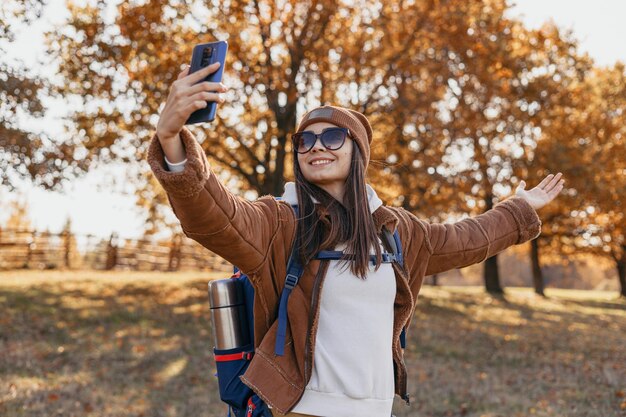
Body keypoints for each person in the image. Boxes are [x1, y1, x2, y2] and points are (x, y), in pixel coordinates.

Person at [148, 62, 564, 417]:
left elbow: (467, 238)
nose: (315, 147)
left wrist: (519, 208)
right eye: (305, 140)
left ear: (358, 153)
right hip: (304, 409)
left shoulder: (396, 231)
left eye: (331, 137)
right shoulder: (279, 221)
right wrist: (173, 143)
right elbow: (215, 215)